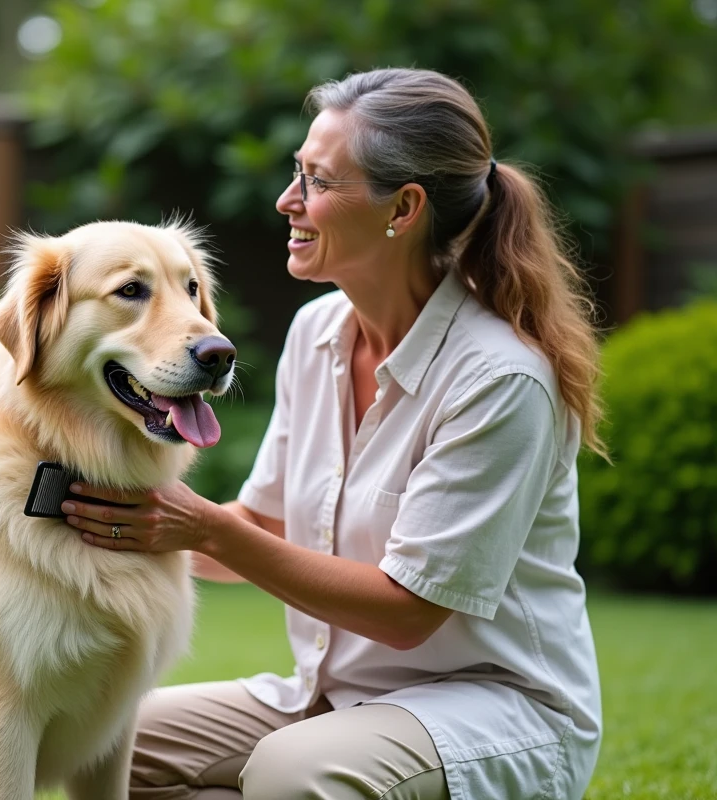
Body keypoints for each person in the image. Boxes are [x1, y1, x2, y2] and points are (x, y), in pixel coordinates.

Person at [61, 67, 605, 800]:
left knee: (292, 773)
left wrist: (204, 529)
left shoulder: (500, 379)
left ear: (403, 208)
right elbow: (265, 523)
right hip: (325, 697)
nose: (288, 201)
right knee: (109, 735)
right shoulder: (316, 332)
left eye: (316, 181)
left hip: (489, 712)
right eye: (296, 174)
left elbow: (408, 611)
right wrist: (94, 537)